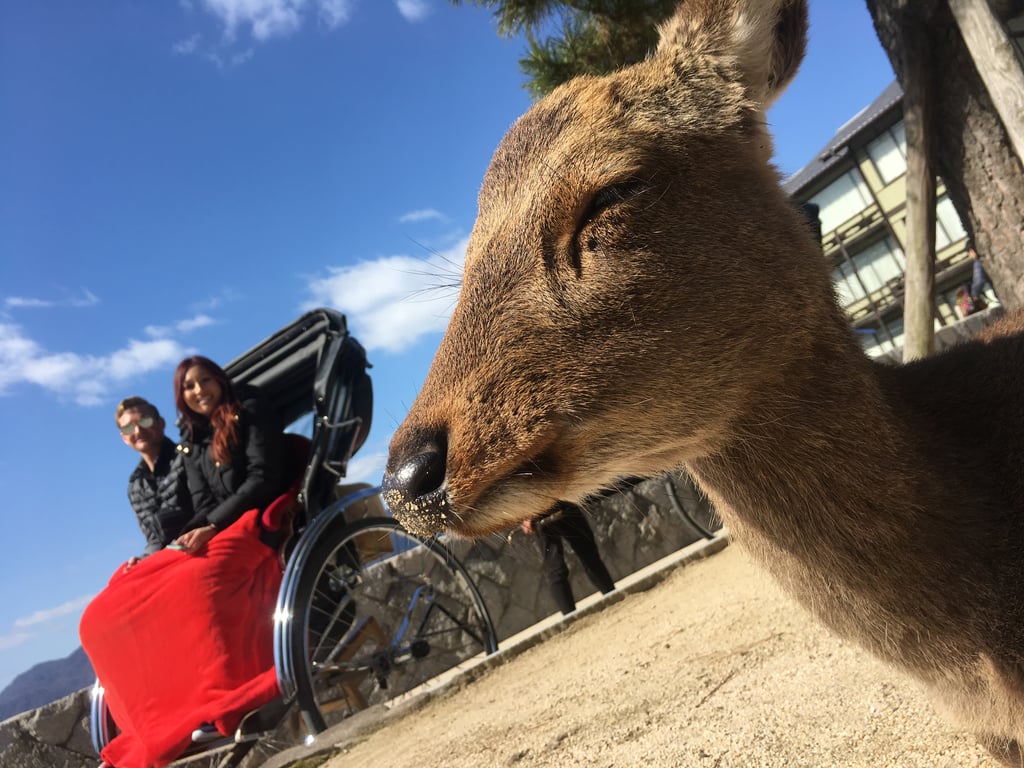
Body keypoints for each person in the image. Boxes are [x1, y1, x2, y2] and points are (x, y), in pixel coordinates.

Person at [81, 356, 292, 768]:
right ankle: (161, 720)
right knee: (100, 615)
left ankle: (227, 699)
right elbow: (201, 504)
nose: (198, 392)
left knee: (197, 586)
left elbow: (262, 478)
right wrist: (177, 545)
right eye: (189, 388)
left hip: (255, 519)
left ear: (219, 380)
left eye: (204, 381)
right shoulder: (194, 440)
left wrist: (209, 527)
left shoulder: (249, 409)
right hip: (218, 527)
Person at [115, 397, 193, 569]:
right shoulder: (135, 486)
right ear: (124, 438)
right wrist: (144, 559)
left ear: (161, 423)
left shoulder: (188, 457)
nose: (138, 430)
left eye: (145, 420)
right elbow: (154, 540)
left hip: (196, 546)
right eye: (128, 427)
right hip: (167, 559)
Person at [521, 500, 615, 615]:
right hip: (539, 510)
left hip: (562, 500)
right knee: (556, 567)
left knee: (588, 554)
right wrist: (526, 515)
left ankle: (613, 597)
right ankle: (570, 619)